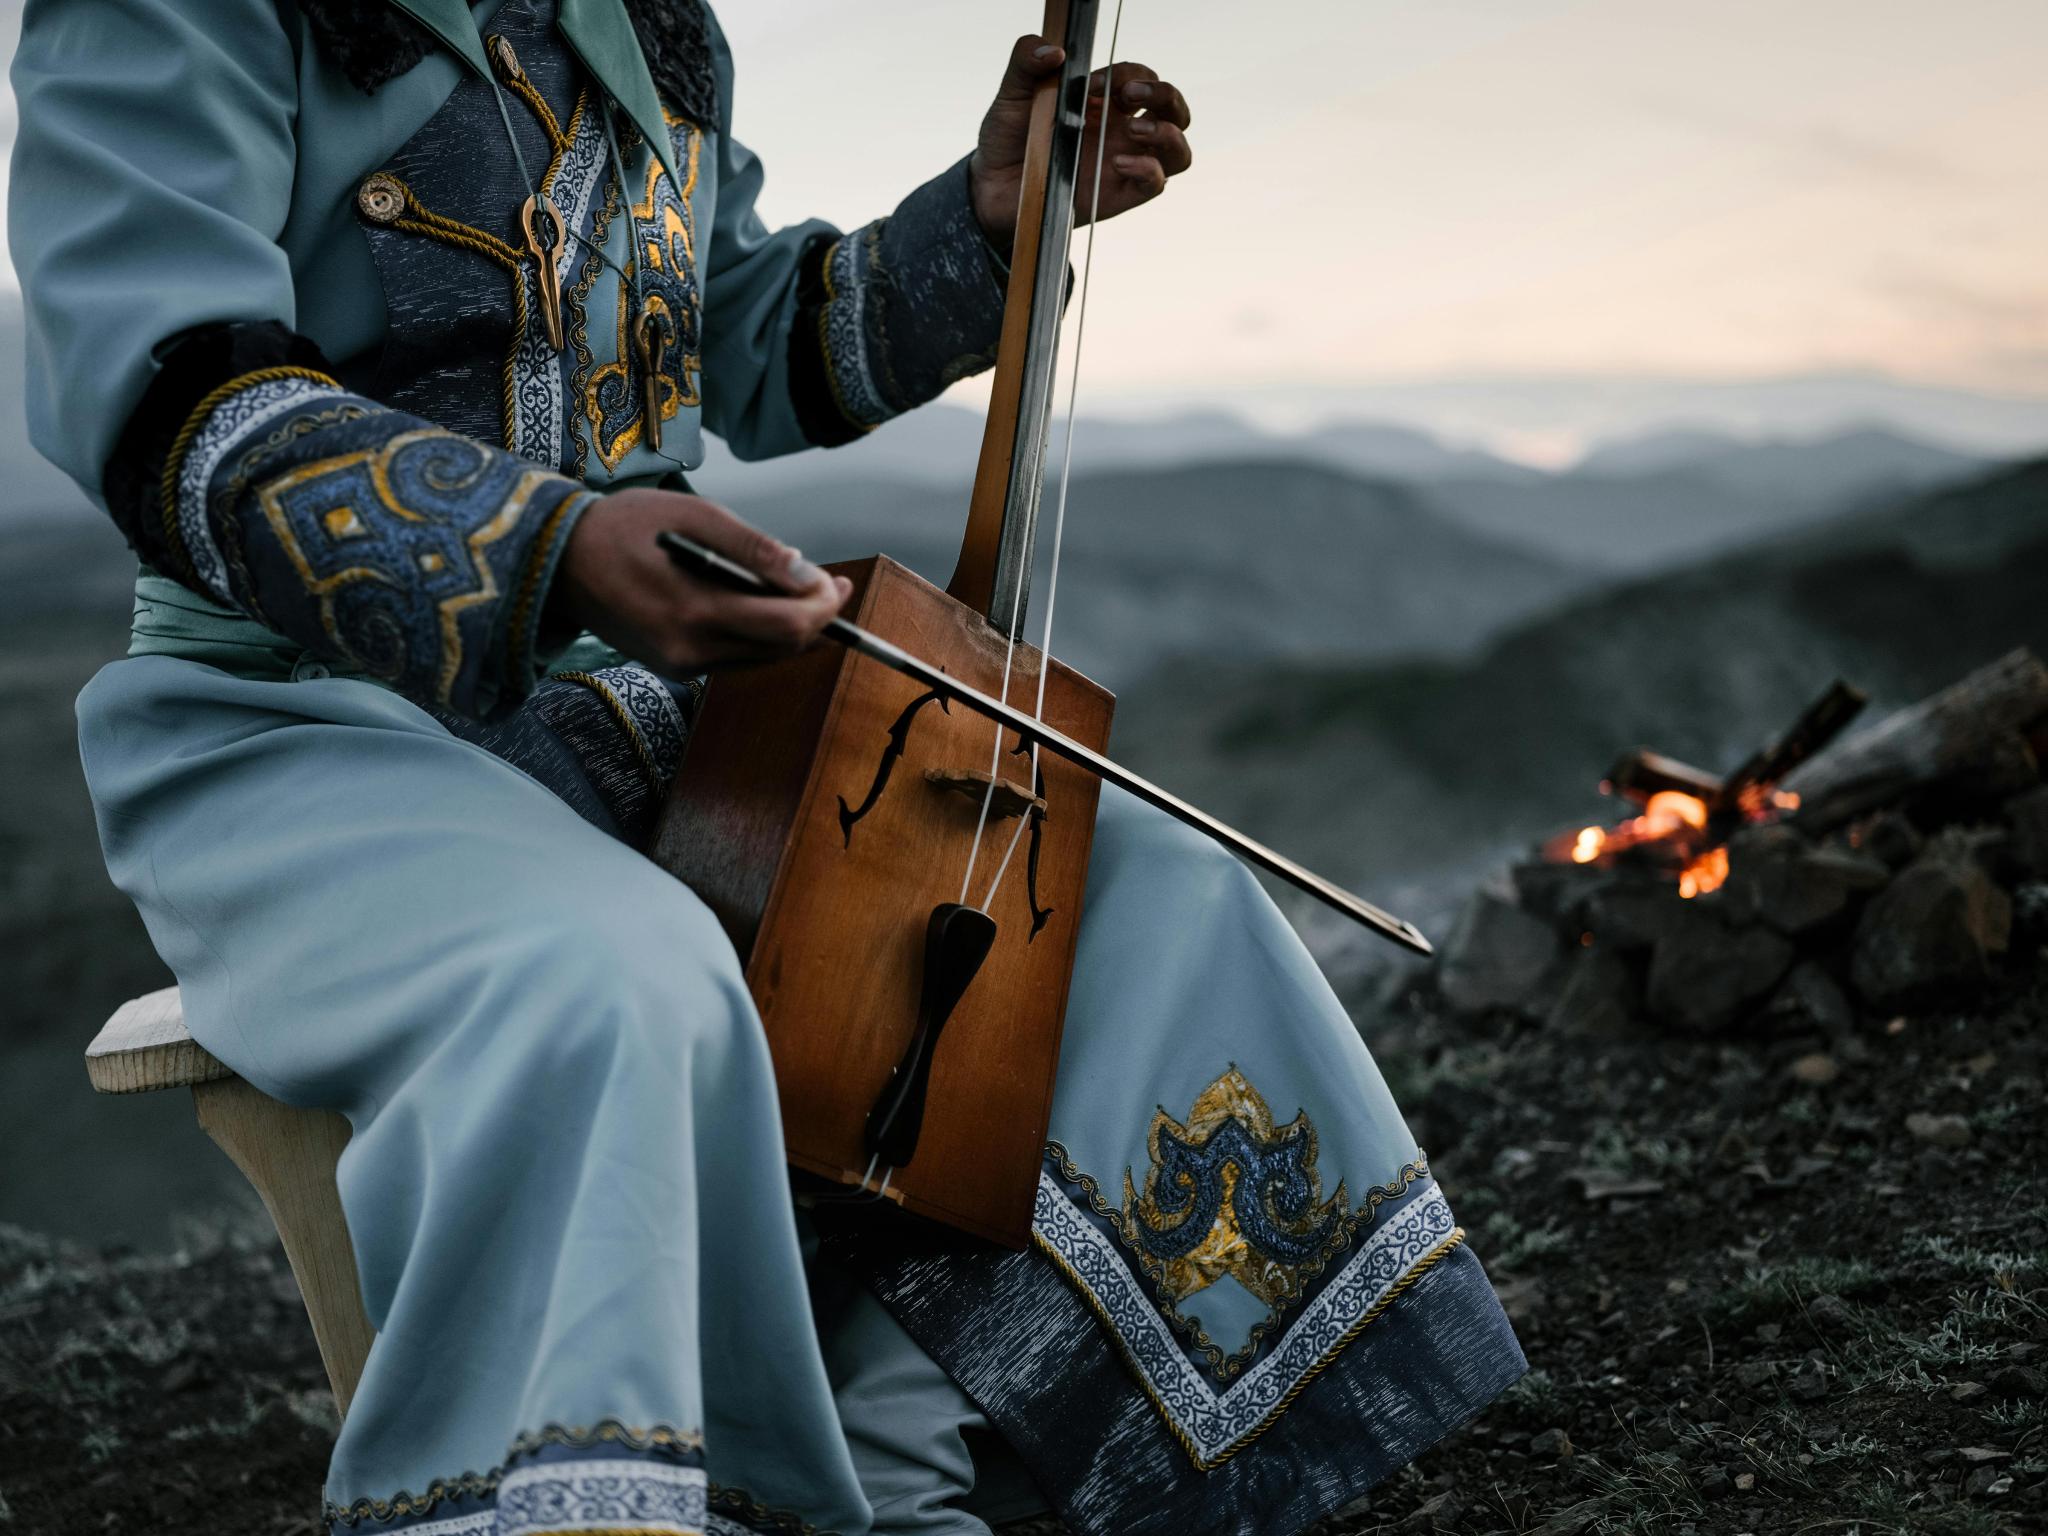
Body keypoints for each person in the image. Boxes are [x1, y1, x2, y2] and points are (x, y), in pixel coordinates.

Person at [11, 2, 1525, 1532]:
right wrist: (545, 548)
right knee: (620, 983)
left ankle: (912, 1463)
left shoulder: (648, 23)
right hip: (308, 724)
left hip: (672, 696)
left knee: (1116, 893)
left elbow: (737, 338)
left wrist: (978, 224)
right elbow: (159, 387)